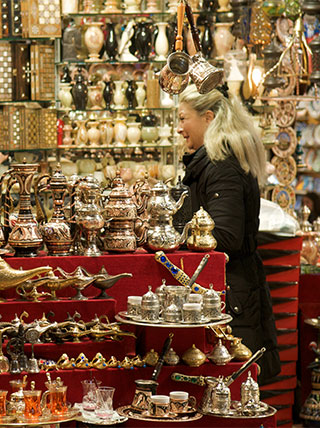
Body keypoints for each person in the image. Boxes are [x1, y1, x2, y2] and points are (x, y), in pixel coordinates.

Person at [178, 83, 281, 385]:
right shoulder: (215, 162)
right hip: (233, 291)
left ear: (208, 117)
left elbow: (226, 235)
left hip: (231, 295)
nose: (180, 128)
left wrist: (177, 236)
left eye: (184, 118)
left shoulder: (221, 165)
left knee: (233, 388)